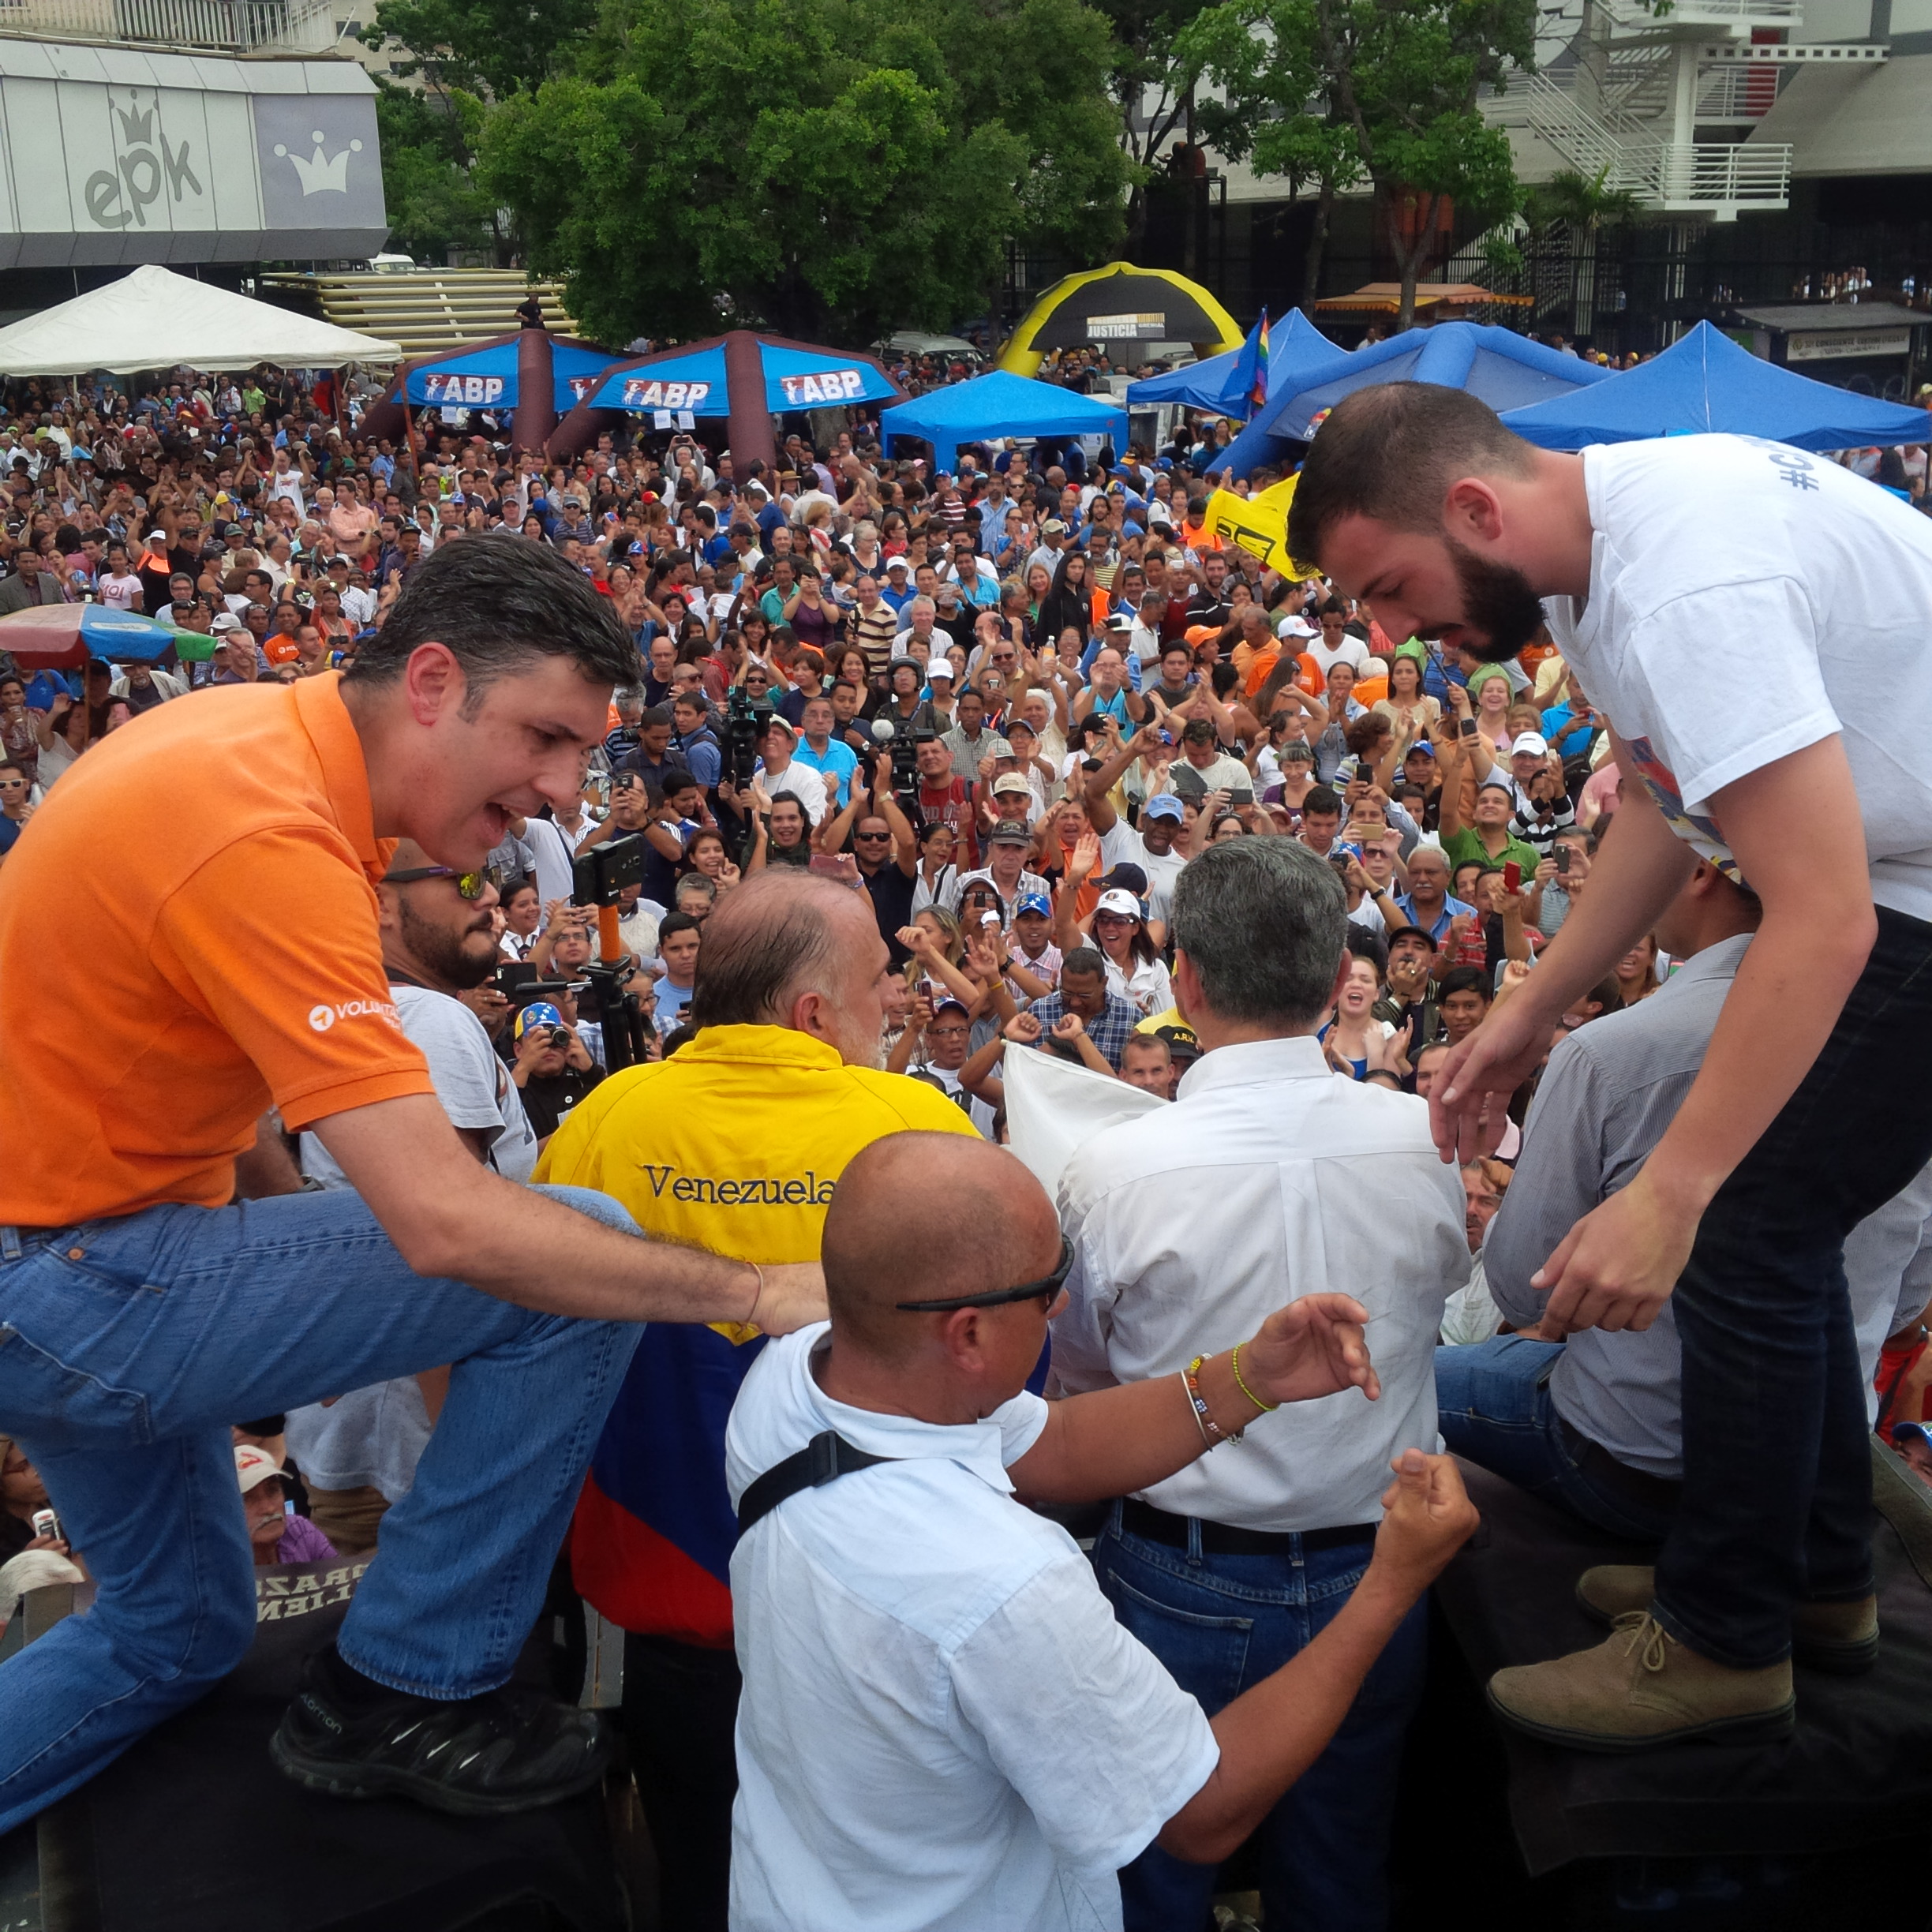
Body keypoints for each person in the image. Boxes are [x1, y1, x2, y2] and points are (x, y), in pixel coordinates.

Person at [0, 536, 825, 1834]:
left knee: (174, 1632)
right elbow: (446, 1224)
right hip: (72, 1277)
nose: (559, 792)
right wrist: (755, 1284)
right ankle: (404, 1684)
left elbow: (199, 1092)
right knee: (575, 1253)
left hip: (78, 1257)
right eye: (546, 737)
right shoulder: (269, 822)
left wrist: (283, 1279)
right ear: (431, 681)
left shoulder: (251, 743)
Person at [1290, 380, 1932, 1750]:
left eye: (1392, 589)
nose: (1396, 635)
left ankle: (1722, 1636)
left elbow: (1819, 918)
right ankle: (1810, 1577)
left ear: (1472, 508)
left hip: (1902, 892)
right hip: (1898, 873)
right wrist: (1527, 1011)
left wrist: (1667, 1191)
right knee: (1782, 1223)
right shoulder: (1594, 558)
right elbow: (1663, 793)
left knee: (1747, 1218)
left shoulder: (1685, 584)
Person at [724, 1130, 1478, 1932]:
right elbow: (1200, 1813)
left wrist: (1250, 1377)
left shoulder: (802, 1379)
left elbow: (1054, 1444)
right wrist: (1390, 1583)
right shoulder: (1004, 1584)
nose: (1062, 1303)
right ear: (968, 1335)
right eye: (1047, 1285)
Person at [536, 872, 976, 1931]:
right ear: (814, 1013)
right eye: (883, 981)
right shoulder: (918, 1125)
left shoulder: (604, 1121)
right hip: (880, 1626)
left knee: (701, 1880)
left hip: (676, 1624)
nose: (899, 1001)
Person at [1051, 839, 1468, 1931]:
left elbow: (1090, 1389)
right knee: (1340, 1868)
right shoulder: (1428, 1147)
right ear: (1341, 980)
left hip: (1178, 1578)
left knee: (1153, 1875)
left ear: (1182, 981)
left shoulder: (1112, 1170)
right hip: (1373, 1566)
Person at [1442, 860, 1932, 1567]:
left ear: (1700, 868)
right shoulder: (1904, 1058)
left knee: (1409, 1385)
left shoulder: (1609, 1052)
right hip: (1819, 1468)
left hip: (1630, 1463)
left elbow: (1523, 1287)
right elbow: (1907, 1300)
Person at [285, 840, 540, 1555]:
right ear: (382, 904)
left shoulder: (350, 1009)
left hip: (352, 1436)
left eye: (491, 879)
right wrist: (469, 1459)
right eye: (464, 879)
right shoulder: (428, 1020)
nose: (488, 896)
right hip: (419, 1456)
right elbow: (447, 1249)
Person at [237, 1444, 338, 1568]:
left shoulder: (301, 1531)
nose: (269, 1509)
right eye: (247, 1499)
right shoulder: (215, 1565)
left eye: (273, 1490)